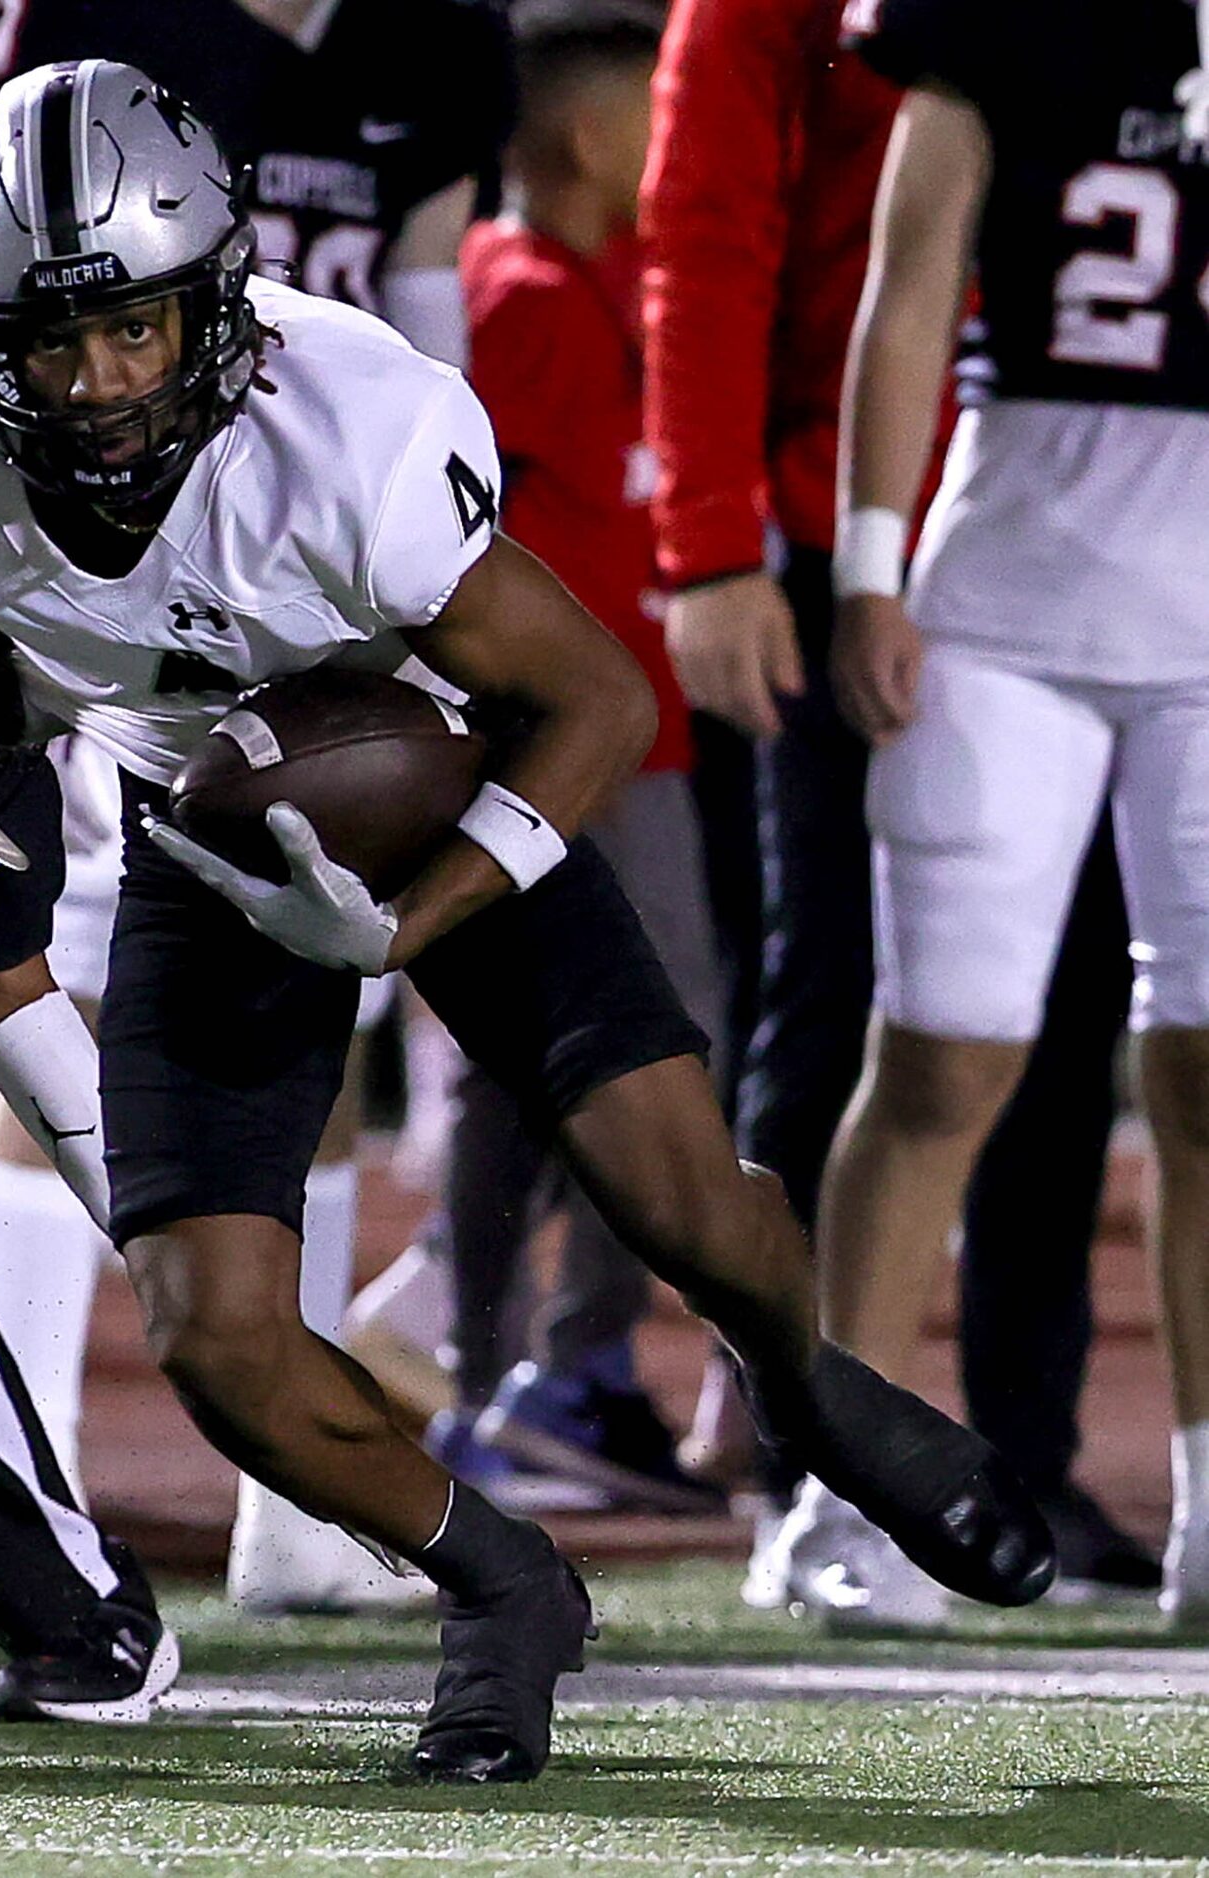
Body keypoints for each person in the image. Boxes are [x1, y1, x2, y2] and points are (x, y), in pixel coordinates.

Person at [0, 59, 1059, 1783]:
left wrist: (401, 928)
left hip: (436, 780)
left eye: (137, 333)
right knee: (210, 1331)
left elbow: (597, 706)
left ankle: (808, 1382)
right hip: (211, 836)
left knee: (686, 1209)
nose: (97, 384)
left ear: (216, 302)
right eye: (48, 341)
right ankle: (501, 1583)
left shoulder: (351, 429)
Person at [0, 0, 520, 1620]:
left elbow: (429, 334)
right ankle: (26, 1475)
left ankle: (288, 1501)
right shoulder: (100, 35)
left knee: (321, 1010)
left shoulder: (430, 44)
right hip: (125, 566)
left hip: (319, 574)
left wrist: (432, 549)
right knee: (74, 1000)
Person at [641, 0, 1152, 1606]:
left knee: (1068, 1018)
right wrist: (715, 545)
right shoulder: (761, 15)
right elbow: (702, 241)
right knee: (846, 992)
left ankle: (1021, 1453)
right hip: (844, 538)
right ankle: (815, 1446)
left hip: (1089, 540)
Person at [801, 0, 1209, 1629]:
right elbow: (903, 306)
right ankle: (843, 1492)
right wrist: (862, 568)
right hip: (1007, 601)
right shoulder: (1002, 28)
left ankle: (1206, 1511)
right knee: (941, 1056)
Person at [432, 0, 725, 1515]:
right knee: (625, 1047)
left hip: (639, 737)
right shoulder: (521, 293)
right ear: (587, 138)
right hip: (569, 745)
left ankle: (518, 1374)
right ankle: (552, 1370)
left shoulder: (606, 280)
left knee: (537, 1075)